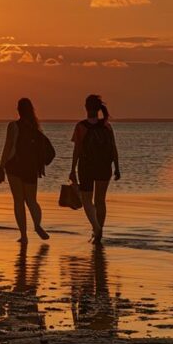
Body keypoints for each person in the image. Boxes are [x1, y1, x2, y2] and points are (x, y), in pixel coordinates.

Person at [0, 98, 51, 243]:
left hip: (14, 166)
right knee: (32, 200)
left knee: (18, 201)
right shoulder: (35, 128)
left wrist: (1, 167)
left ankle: (24, 236)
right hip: (31, 168)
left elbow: (8, 148)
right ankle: (38, 225)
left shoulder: (13, 126)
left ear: (18, 110)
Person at [68, 94, 120, 244]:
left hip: (86, 166)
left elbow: (77, 150)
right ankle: (99, 232)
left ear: (85, 107)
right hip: (104, 166)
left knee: (86, 200)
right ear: (98, 108)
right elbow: (113, 149)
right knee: (100, 200)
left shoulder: (81, 126)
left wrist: (72, 169)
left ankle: (96, 228)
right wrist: (117, 167)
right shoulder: (106, 126)